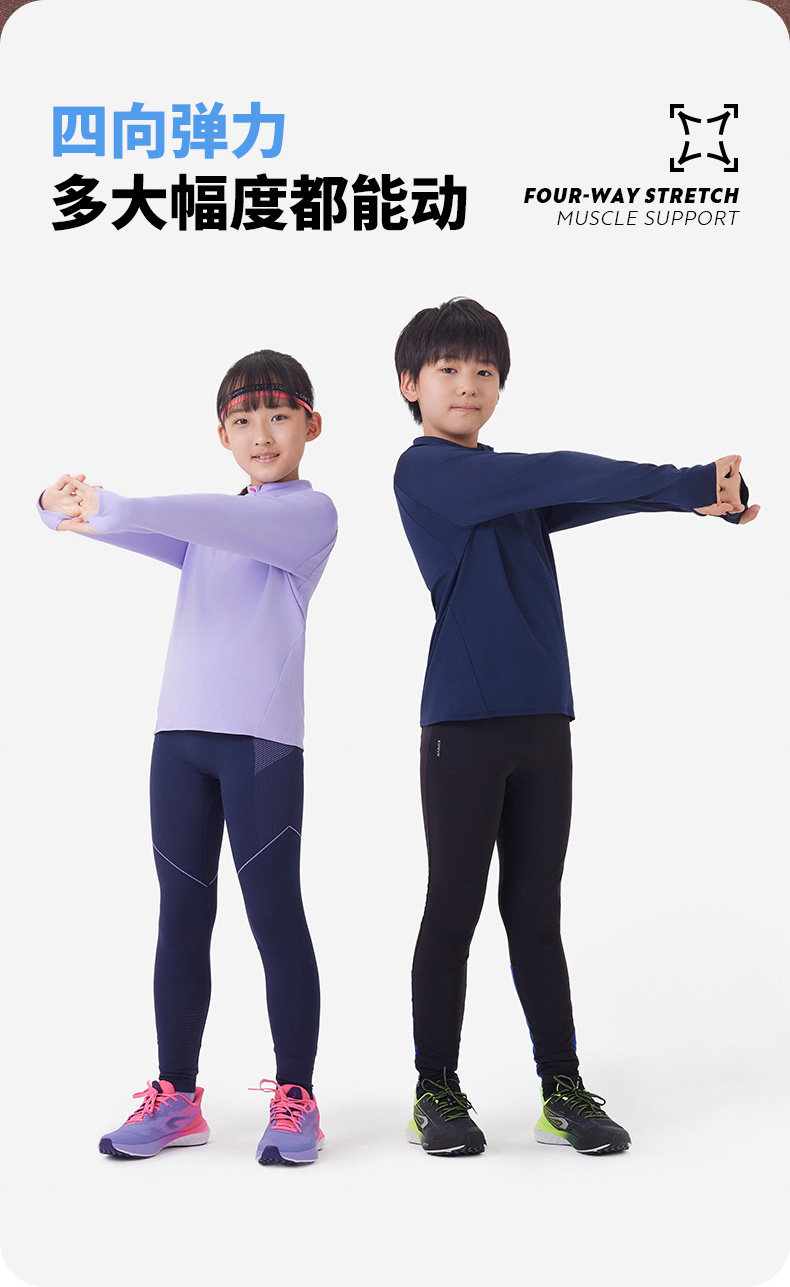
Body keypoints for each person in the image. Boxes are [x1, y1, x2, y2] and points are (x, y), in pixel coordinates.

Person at [393, 297, 758, 1158]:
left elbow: (583, 492)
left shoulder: (509, 488)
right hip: (462, 725)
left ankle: (561, 1086)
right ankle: (434, 1087)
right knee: (454, 905)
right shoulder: (427, 472)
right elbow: (558, 472)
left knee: (535, 910)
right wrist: (687, 479)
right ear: (410, 384)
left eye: (485, 371)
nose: (468, 384)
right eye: (449, 369)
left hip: (543, 721)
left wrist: (694, 501)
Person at [36, 350, 337, 1166]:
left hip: (260, 747)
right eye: (243, 420)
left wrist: (113, 503)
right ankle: (176, 1096)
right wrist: (56, 505)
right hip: (178, 743)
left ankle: (296, 1098)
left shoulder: (308, 516)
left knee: (274, 916)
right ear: (222, 435)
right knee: (180, 917)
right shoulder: (210, 528)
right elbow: (123, 525)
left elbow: (191, 518)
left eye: (278, 416)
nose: (261, 433)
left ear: (311, 425)